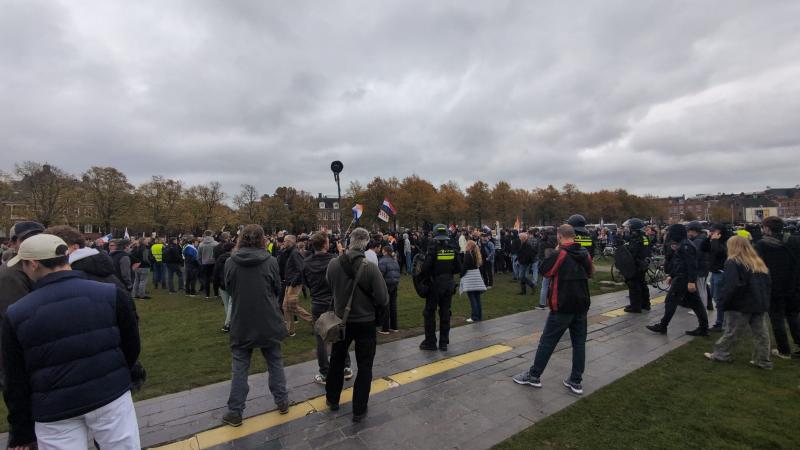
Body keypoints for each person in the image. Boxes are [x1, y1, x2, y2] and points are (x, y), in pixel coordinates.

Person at [3, 234, 141, 449]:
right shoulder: (110, 293)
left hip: (56, 408)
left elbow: (15, 378)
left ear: (33, 264)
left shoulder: (17, 313)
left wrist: (21, 429)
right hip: (108, 394)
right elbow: (132, 346)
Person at [512, 224, 593, 395]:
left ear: (560, 236)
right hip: (581, 304)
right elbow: (590, 272)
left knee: (547, 342)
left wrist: (555, 252)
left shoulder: (561, 253)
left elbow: (545, 271)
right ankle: (576, 380)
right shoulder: (584, 253)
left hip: (562, 304)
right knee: (579, 344)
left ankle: (534, 375)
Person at [222, 225, 289, 427]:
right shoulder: (269, 261)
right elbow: (277, 288)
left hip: (243, 319)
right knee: (274, 362)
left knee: (241, 367)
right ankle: (282, 400)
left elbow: (229, 288)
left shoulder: (233, 262)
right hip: (266, 318)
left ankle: (236, 411)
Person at [325, 227, 389, 422]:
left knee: (336, 361)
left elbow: (330, 285)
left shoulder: (333, 264)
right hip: (365, 322)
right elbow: (383, 298)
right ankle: (359, 409)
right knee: (365, 365)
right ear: (366, 244)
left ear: (349, 241)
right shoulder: (370, 267)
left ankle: (332, 399)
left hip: (340, 322)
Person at [703, 235, 772, 368]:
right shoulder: (757, 261)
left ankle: (721, 354)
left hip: (740, 304)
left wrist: (723, 302)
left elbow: (731, 285)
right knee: (761, 333)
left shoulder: (733, 262)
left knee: (732, 331)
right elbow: (767, 283)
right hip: (759, 302)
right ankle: (762, 360)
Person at [0, 221, 45, 392]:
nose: (35, 241)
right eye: (27, 238)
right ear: (13, 244)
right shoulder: (10, 274)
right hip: (23, 354)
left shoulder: (39, 266)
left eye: (40, 236)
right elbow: (22, 320)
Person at [302, 232, 352, 384]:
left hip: (320, 302)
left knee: (322, 339)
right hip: (332, 301)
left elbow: (307, 283)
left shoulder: (308, 262)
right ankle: (342, 367)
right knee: (339, 334)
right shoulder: (333, 260)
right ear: (325, 244)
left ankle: (330, 370)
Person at [647, 224, 710, 336]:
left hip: (683, 279)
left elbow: (691, 265)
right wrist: (672, 275)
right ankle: (704, 327)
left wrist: (691, 281)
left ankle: (663, 325)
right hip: (681, 277)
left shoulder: (685, 246)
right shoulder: (684, 244)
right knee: (696, 304)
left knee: (671, 301)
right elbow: (679, 263)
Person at [755, 216, 800, 359]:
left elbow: (759, 266)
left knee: (777, 318)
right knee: (793, 316)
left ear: (767, 228)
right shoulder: (795, 240)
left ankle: (784, 350)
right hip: (794, 285)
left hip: (774, 287)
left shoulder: (762, 244)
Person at [419, 224, 461, 351]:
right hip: (448, 285)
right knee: (445, 313)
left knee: (429, 313)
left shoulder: (433, 249)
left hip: (435, 286)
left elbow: (425, 269)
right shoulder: (452, 249)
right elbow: (459, 267)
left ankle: (430, 342)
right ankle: (443, 342)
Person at [282, 235, 313, 337]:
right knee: (286, 307)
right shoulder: (290, 252)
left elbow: (301, 269)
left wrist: (293, 283)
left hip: (294, 284)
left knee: (291, 306)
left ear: (290, 242)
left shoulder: (295, 253)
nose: (283, 242)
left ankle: (313, 320)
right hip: (289, 282)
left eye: (285, 241)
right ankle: (290, 330)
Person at [622, 218, 651, 313]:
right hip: (643, 264)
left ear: (634, 228)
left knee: (634, 286)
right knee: (642, 284)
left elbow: (631, 253)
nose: (627, 229)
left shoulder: (635, 239)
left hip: (636, 265)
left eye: (629, 227)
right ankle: (646, 304)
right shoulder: (644, 237)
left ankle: (635, 307)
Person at [708, 224, 729, 332]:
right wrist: (709, 239)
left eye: (713, 231)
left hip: (720, 273)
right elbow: (704, 248)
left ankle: (721, 323)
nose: (711, 233)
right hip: (714, 272)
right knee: (715, 297)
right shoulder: (715, 241)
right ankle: (721, 322)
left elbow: (719, 252)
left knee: (719, 299)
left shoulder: (725, 242)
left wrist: (715, 240)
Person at [687, 221, 712, 311]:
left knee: (701, 289)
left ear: (694, 231)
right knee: (703, 288)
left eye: (689, 231)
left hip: (700, 268)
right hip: (704, 267)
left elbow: (695, 256)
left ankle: (702, 308)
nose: (688, 233)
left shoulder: (697, 241)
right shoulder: (703, 238)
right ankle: (704, 307)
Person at [460, 240, 487, 322]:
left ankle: (474, 316)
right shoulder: (476, 254)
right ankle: (479, 316)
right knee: (477, 298)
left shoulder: (468, 254)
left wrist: (461, 275)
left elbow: (465, 267)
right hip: (476, 277)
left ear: (469, 246)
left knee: (472, 298)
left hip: (470, 278)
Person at [213, 242, 235, 332]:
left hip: (221, 284)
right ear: (232, 249)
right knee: (231, 303)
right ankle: (228, 323)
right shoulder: (233, 259)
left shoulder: (219, 258)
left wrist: (216, 283)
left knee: (227, 304)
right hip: (230, 283)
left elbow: (216, 272)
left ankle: (229, 323)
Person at [378, 245, 401, 333]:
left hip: (386, 285)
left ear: (385, 251)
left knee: (386, 306)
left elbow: (380, 275)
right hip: (394, 284)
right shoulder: (394, 261)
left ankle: (385, 328)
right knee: (393, 306)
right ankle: (394, 326)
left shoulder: (383, 261)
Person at [198, 230, 219, 299]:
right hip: (214, 263)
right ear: (211, 234)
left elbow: (199, 256)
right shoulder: (216, 243)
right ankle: (216, 294)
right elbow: (218, 254)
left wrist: (201, 263)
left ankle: (207, 295)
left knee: (206, 279)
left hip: (205, 263)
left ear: (204, 234)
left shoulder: (201, 244)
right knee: (215, 278)